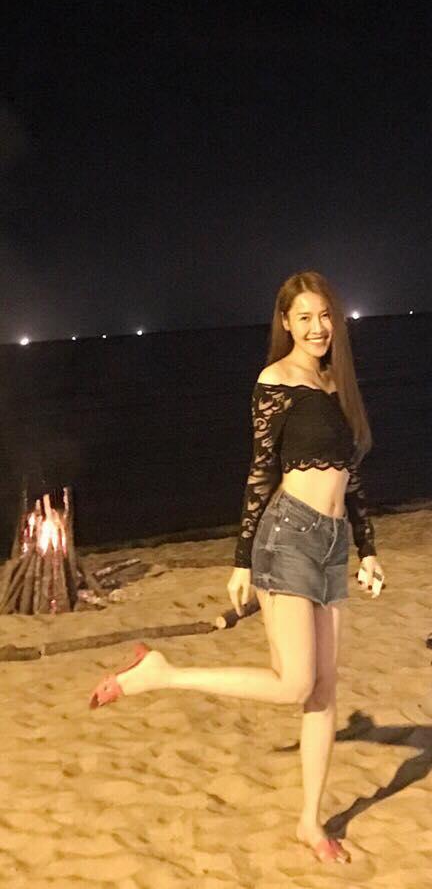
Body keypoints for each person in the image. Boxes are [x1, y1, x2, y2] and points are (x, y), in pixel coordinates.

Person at [90, 270, 385, 864]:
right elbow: (260, 472)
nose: (318, 327)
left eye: (325, 315)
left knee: (324, 691)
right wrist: (242, 559)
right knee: (295, 683)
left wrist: (368, 548)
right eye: (304, 317)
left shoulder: (335, 384)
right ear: (286, 323)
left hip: (331, 546)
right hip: (288, 538)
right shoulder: (276, 381)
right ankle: (162, 674)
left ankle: (309, 823)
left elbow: (350, 479)